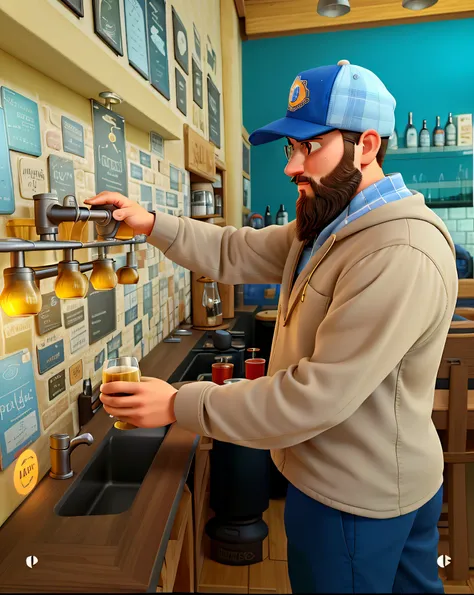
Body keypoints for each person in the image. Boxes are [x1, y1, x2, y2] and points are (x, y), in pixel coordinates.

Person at [87, 60, 457, 593]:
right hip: (355, 484)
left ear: (368, 146)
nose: (292, 167)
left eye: (311, 147)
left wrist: (176, 404)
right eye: (291, 148)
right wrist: (150, 223)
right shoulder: (329, 224)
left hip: (356, 501)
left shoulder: (397, 250)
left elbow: (312, 398)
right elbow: (232, 249)